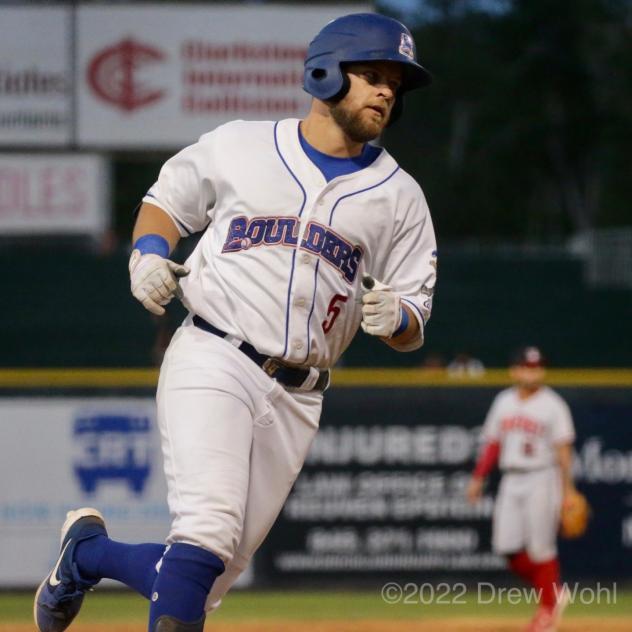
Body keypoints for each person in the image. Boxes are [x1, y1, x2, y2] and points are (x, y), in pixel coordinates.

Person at [34, 12, 438, 632]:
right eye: (373, 73)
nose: (387, 90)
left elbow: (415, 318)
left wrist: (399, 318)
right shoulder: (242, 145)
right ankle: (96, 557)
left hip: (301, 395)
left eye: (396, 82)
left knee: (206, 578)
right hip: (215, 354)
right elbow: (164, 204)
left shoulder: (400, 196)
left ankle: (85, 553)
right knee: (205, 531)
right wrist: (145, 253)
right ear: (327, 71)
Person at [467, 346, 576, 632]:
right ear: (515, 370)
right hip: (511, 478)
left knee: (541, 549)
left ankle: (547, 612)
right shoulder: (503, 401)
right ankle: (554, 593)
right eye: (527, 366)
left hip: (543, 476)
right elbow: (493, 443)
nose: (533, 371)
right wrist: (478, 478)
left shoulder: (553, 404)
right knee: (506, 547)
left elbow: (563, 450)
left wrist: (568, 492)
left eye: (537, 366)